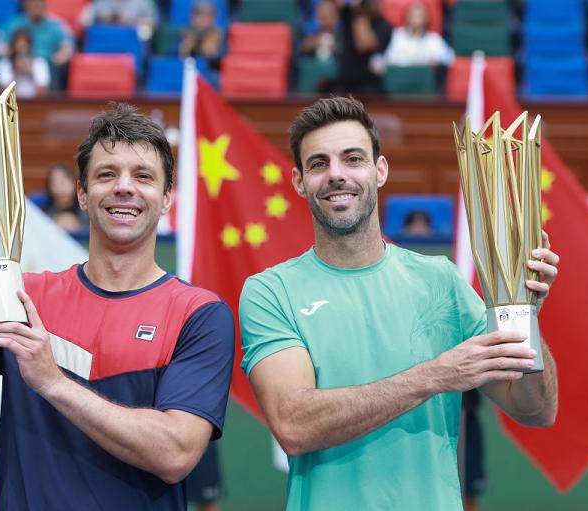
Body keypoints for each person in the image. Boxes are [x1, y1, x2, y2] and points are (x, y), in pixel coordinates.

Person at [0, 103, 235, 510]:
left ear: (168, 197)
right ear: (82, 195)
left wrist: (53, 383)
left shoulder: (200, 314)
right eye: (106, 174)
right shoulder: (23, 296)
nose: (124, 187)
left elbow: (175, 454)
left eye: (143, 176)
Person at [238, 96, 559, 510]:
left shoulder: (441, 281)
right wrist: (436, 375)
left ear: (380, 170)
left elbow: (536, 409)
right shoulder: (270, 291)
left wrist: (524, 313)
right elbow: (294, 425)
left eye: (353, 159)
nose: (336, 175)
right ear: (299, 181)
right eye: (319, 164)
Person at [2, 0, 73, 89]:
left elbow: (67, 47)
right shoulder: (15, 23)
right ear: (26, 4)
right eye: (34, 2)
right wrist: (15, 56)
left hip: (49, 64)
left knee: (48, 69)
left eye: (41, 2)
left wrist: (58, 58)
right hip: (19, 60)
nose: (38, 5)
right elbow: (3, 47)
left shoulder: (55, 25)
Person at [335, 0, 392, 93]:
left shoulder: (385, 26)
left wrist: (359, 13)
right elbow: (332, 5)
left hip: (369, 84)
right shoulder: (349, 13)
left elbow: (364, 46)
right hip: (345, 82)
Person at [383, 2, 453, 68]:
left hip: (424, 79)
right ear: (407, 17)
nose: (416, 20)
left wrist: (437, 61)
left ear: (426, 18)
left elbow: (449, 58)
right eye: (413, 16)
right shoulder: (398, 35)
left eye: (419, 16)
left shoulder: (434, 39)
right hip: (401, 77)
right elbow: (388, 59)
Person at [0, 28, 51, 98]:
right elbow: (3, 93)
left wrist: (30, 73)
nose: (21, 47)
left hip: (35, 104)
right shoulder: (4, 64)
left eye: (25, 44)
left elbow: (44, 93)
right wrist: (16, 72)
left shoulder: (40, 63)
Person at [79, 0, 159, 42]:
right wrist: (100, 19)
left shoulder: (143, 2)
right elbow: (83, 21)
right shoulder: (102, 2)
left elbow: (153, 24)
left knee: (145, 33)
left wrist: (130, 21)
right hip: (104, 40)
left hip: (132, 41)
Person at [40, 162, 88, 230]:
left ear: (74, 183)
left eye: (63, 181)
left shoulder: (87, 209)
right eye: (54, 182)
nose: (59, 186)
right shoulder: (43, 213)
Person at [179, 0, 222, 70]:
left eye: (208, 17)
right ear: (192, 18)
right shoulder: (186, 34)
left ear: (214, 18)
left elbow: (226, 63)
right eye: (200, 16)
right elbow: (169, 59)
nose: (204, 21)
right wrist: (185, 49)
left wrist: (213, 55)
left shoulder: (220, 35)